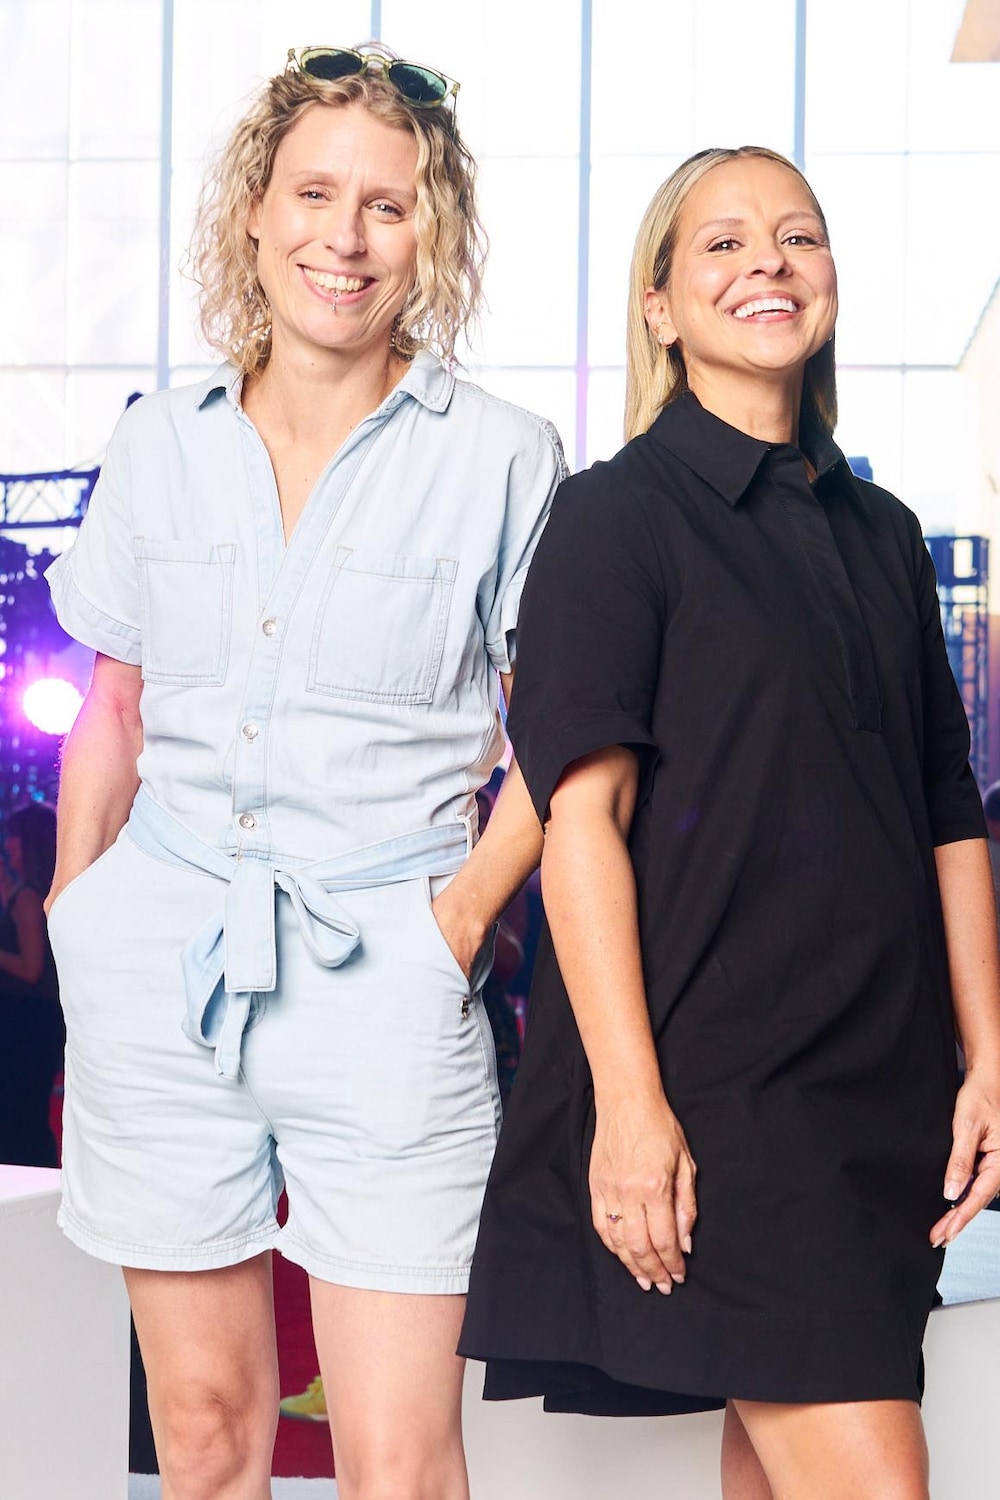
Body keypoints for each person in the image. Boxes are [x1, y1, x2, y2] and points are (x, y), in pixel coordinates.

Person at [44, 42, 563, 1500]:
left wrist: (452, 925)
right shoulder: (158, 443)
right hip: (161, 960)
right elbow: (117, 704)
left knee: (399, 1462)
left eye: (386, 206)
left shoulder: (508, 457)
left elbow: (568, 742)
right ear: (254, 214)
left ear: (431, 233)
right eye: (315, 193)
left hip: (385, 971)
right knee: (205, 1437)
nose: (345, 237)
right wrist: (87, 915)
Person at [460, 146, 1000, 1500]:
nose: (769, 260)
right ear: (658, 308)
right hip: (727, 1094)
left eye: (799, 236)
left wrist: (988, 1054)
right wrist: (629, 1107)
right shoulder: (615, 518)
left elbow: (948, 812)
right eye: (722, 243)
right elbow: (580, 823)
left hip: (883, 1095)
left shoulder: (883, 532)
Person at [0, 801, 63, 1167]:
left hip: (27, 1023)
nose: (8, 845)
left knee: (21, 1114)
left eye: (13, 838)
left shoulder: (27, 898)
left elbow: (30, 967)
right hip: (27, 1021)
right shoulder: (27, 892)